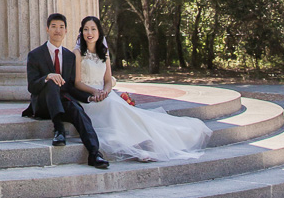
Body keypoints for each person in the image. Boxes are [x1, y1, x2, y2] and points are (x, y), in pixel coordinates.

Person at [73, 16, 213, 162]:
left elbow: (108, 80)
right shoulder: (77, 53)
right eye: (86, 29)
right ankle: (137, 150)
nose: (89, 33)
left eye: (93, 29)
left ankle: (144, 142)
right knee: (114, 107)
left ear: (99, 32)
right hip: (88, 97)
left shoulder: (104, 53)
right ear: (81, 32)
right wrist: (95, 92)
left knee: (123, 109)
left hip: (105, 94)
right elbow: (77, 82)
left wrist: (106, 92)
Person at [22, 12, 110, 169]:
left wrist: (88, 98)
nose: (58, 30)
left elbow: (70, 87)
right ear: (47, 29)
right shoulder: (35, 55)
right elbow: (32, 87)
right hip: (43, 105)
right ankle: (59, 129)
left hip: (63, 102)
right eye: (54, 26)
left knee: (78, 111)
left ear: (66, 31)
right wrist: (47, 77)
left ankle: (94, 154)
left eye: (61, 27)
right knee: (51, 82)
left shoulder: (69, 56)